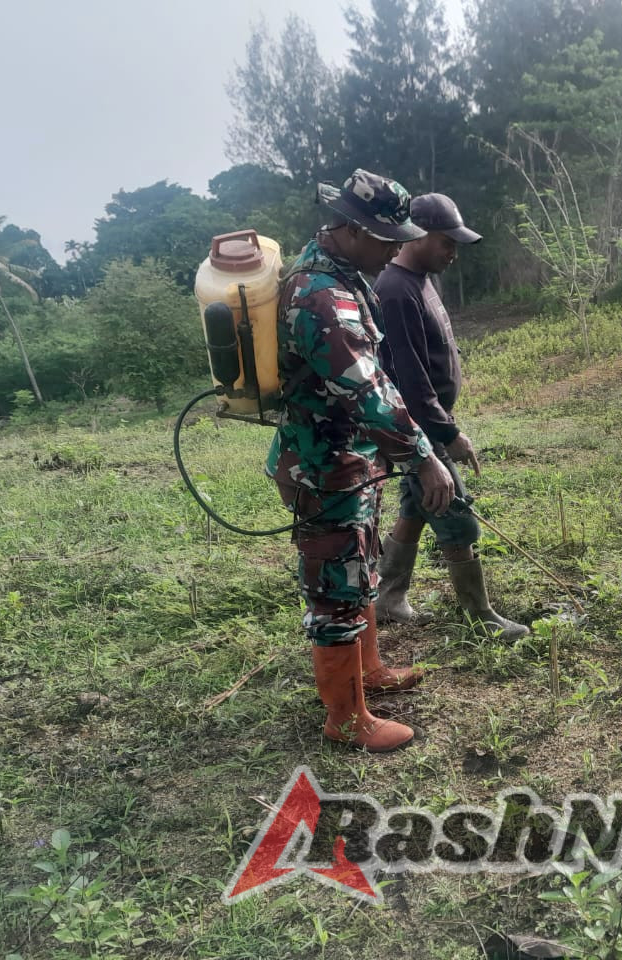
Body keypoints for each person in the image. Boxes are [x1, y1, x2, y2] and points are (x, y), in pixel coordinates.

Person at [268, 169, 454, 753]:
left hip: (349, 457)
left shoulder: (344, 274)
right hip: (322, 465)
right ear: (348, 228)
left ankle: (367, 673)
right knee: (335, 592)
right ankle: (346, 718)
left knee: (359, 568)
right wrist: (426, 456)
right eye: (385, 238)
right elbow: (366, 388)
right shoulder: (321, 296)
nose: (394, 249)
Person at [372, 193, 529, 641]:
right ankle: (480, 617)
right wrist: (447, 433)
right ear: (418, 235)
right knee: (452, 507)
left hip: (426, 423)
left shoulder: (420, 280)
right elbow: (409, 379)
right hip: (418, 427)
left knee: (417, 504)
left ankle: (389, 596)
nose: (453, 252)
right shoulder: (395, 290)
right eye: (446, 242)